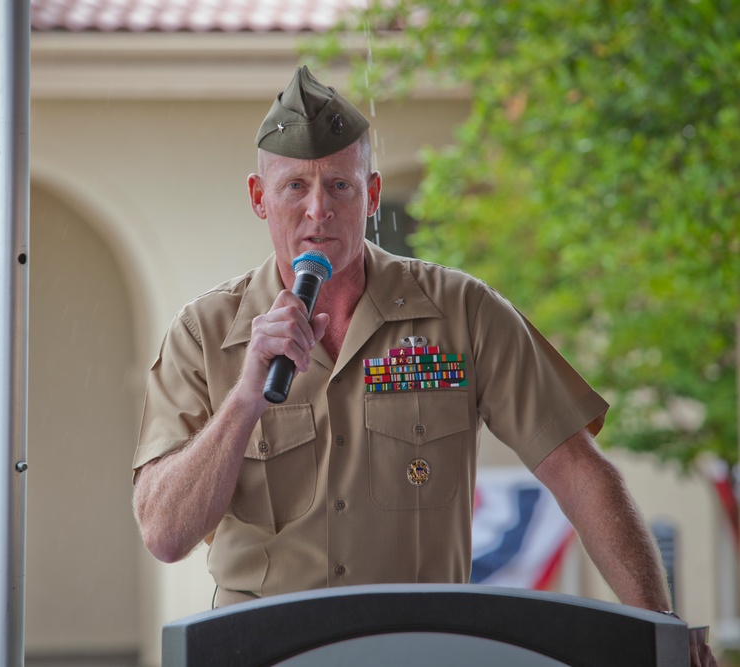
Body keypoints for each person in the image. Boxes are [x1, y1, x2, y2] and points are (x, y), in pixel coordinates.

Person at [131, 65, 717, 666]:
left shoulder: (462, 312)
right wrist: (245, 397)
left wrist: (659, 631)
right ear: (260, 198)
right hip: (264, 651)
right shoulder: (201, 335)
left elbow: (578, 471)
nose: (318, 211)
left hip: (421, 649)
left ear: (373, 195)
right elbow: (164, 534)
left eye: (339, 186)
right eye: (294, 188)